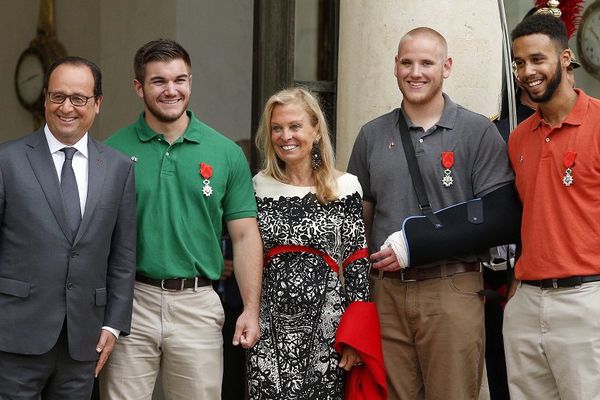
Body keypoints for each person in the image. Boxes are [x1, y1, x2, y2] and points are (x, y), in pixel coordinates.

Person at [348, 27, 515, 400]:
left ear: (447, 66)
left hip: (451, 289)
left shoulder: (478, 132)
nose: (415, 72)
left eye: (426, 62)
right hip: (387, 293)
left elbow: (497, 219)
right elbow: (360, 221)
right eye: (406, 62)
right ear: (395, 67)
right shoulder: (371, 135)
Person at [99, 39, 263, 399]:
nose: (171, 90)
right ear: (139, 87)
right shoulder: (111, 152)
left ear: (191, 81)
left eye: (180, 80)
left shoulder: (225, 153)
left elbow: (245, 236)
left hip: (198, 304)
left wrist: (251, 309)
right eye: (159, 81)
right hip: (130, 304)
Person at [0, 56, 137, 399]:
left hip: (84, 339)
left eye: (78, 98)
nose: (67, 108)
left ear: (97, 103)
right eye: (58, 96)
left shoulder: (119, 168)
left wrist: (113, 324)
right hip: (14, 335)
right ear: (45, 98)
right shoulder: (7, 161)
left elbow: (123, 255)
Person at [248, 87, 386, 400]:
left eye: (295, 126)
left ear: (317, 130)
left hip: (328, 326)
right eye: (277, 128)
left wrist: (356, 334)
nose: (286, 136)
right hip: (268, 325)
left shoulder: (345, 186)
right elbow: (249, 252)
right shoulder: (257, 185)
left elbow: (355, 262)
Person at [505, 13, 600, 399]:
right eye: (519, 62)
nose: (528, 71)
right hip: (526, 304)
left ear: (564, 59)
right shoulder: (518, 138)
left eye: (537, 59)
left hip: (586, 301)